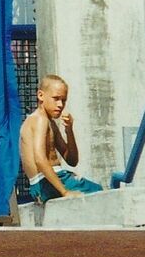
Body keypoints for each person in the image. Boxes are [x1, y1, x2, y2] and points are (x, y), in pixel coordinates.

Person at [19, 74, 102, 204]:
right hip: (46, 181)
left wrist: (69, 130)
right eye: (56, 99)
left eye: (63, 100)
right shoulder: (40, 120)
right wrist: (65, 192)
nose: (60, 105)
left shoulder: (50, 123)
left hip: (45, 183)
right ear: (41, 96)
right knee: (98, 192)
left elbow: (72, 160)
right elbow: (40, 159)